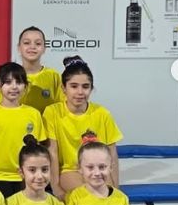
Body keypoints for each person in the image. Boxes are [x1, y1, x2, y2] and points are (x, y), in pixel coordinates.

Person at [43, 56, 123, 196]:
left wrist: (116, 190)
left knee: (107, 197)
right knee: (90, 196)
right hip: (70, 170)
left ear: (91, 89)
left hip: (99, 170)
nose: (80, 92)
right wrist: (55, 187)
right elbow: (52, 153)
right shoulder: (52, 113)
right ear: (63, 88)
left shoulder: (102, 114)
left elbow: (112, 154)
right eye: (74, 86)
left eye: (85, 87)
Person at [0, 62, 49, 199]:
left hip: (27, 177)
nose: (14, 87)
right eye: (8, 82)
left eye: (19, 82)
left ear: (26, 86)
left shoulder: (33, 114)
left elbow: (38, 150)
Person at [0, 27, 63, 113]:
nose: (32, 47)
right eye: (27, 43)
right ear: (19, 47)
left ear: (44, 48)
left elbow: (63, 107)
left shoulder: (54, 76)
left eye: (38, 43)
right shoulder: (9, 75)